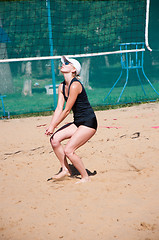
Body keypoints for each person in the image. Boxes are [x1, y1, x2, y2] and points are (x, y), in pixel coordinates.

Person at [45, 56, 97, 183]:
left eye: (67, 63)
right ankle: (66, 170)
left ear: (74, 69)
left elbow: (66, 110)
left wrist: (54, 126)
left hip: (89, 123)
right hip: (78, 122)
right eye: (63, 63)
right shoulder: (62, 86)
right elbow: (58, 108)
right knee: (54, 140)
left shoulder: (75, 85)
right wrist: (51, 124)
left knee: (69, 150)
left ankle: (85, 177)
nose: (63, 64)